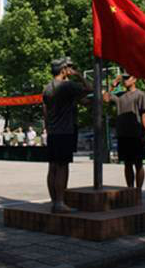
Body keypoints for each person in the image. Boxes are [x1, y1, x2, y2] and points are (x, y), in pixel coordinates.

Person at [43, 58, 92, 213]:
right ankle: (60, 203)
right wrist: (79, 75)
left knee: (53, 167)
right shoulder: (67, 86)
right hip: (65, 131)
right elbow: (89, 88)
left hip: (53, 131)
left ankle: (54, 201)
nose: (71, 69)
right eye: (69, 67)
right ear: (63, 70)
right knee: (62, 167)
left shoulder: (47, 88)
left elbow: (81, 101)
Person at [104, 73, 145, 190]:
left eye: (127, 78)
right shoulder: (119, 96)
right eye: (124, 78)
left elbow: (144, 115)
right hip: (123, 134)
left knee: (138, 163)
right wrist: (113, 84)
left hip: (136, 134)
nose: (125, 80)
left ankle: (138, 190)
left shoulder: (140, 95)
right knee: (127, 164)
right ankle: (130, 189)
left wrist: (144, 133)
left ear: (134, 79)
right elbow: (106, 98)